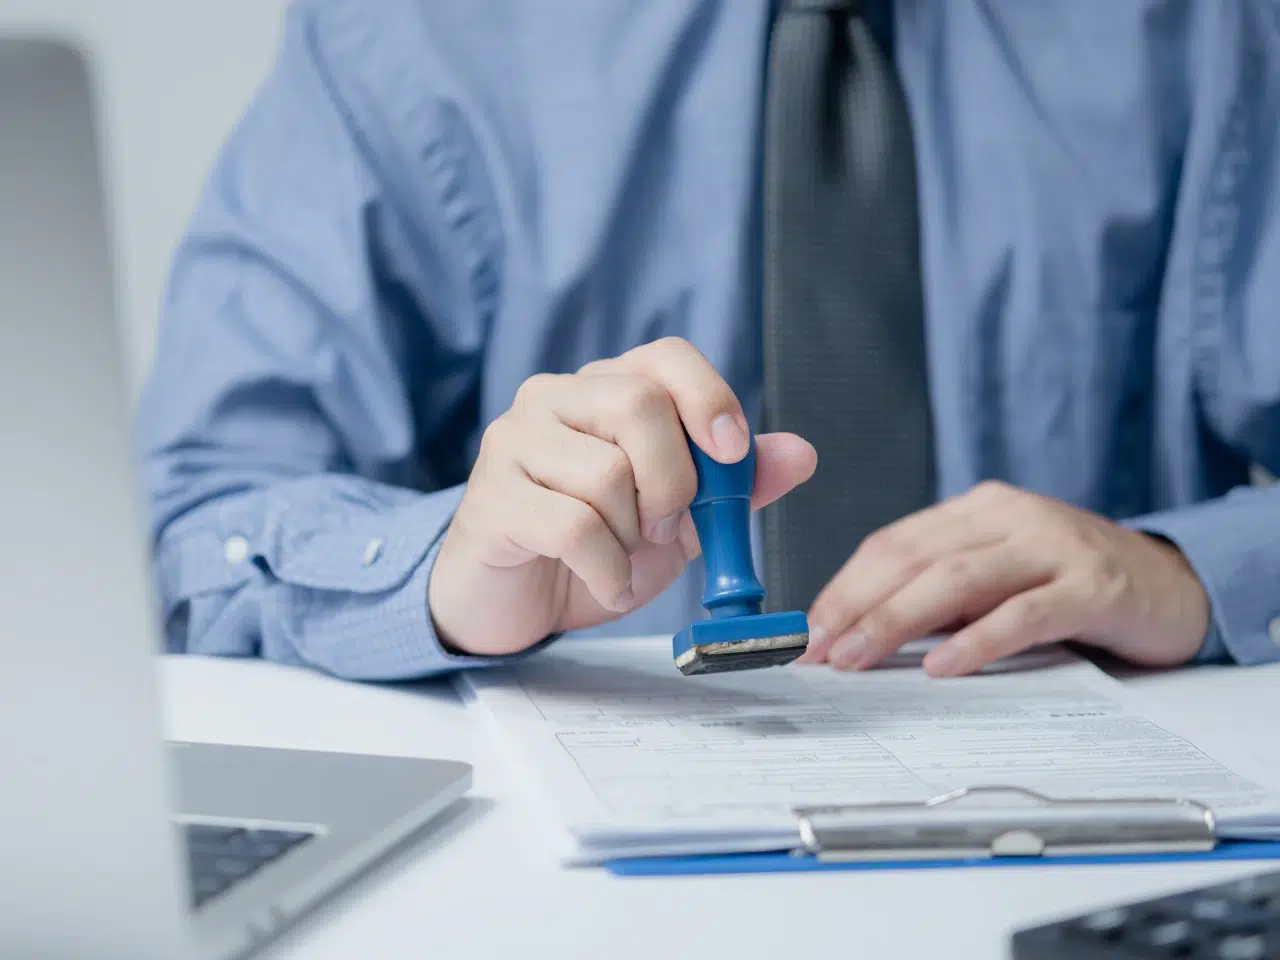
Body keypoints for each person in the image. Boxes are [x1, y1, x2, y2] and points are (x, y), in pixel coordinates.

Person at [138, 0, 1280, 683]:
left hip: (1098, 848)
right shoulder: (415, 35)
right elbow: (196, 523)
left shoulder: (1212, 29)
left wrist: (1186, 575)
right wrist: (440, 581)